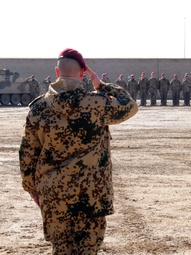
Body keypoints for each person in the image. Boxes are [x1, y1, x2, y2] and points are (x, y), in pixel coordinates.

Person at [19, 48, 138, 255]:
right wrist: (101, 84)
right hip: (91, 192)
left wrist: (33, 190)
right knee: (88, 249)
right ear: (83, 73)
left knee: (61, 248)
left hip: (54, 192)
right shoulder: (97, 103)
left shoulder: (38, 108)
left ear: (57, 73)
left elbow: (27, 155)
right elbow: (130, 105)